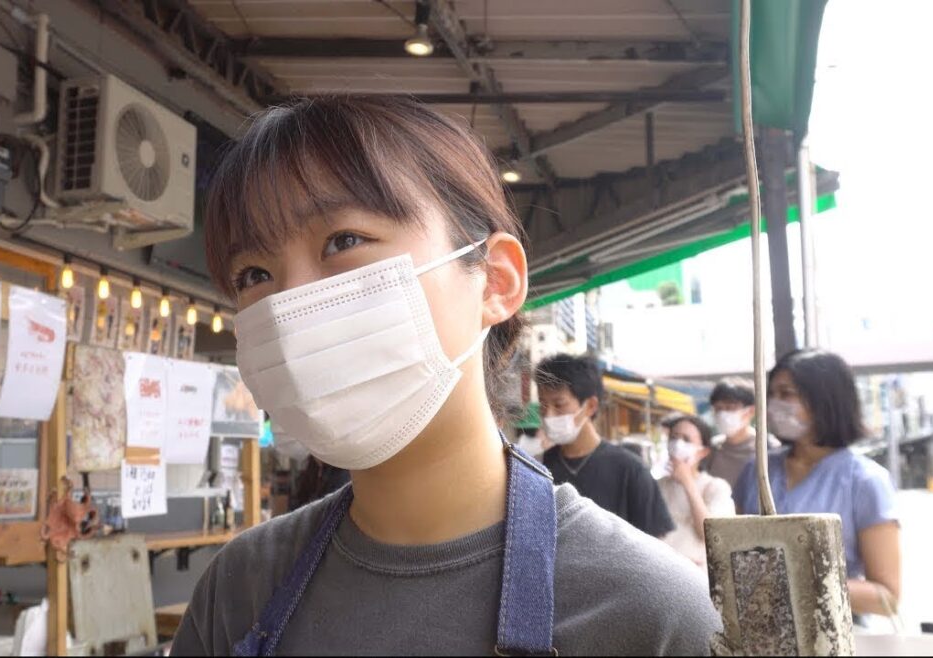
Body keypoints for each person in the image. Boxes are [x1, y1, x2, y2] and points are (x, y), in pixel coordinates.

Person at [171, 96, 719, 655]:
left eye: (344, 241)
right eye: (253, 274)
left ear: (495, 281)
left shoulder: (652, 615)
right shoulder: (239, 587)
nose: (294, 305)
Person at [733, 349, 901, 617]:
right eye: (772, 395)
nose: (774, 405)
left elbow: (886, 598)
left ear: (824, 400)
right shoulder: (757, 470)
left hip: (834, 633)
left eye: (786, 394)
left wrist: (798, 581)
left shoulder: (865, 481)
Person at [535, 353, 676, 538]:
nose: (549, 415)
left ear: (591, 406)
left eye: (559, 404)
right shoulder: (539, 469)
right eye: (543, 406)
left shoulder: (630, 469)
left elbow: (657, 543)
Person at [657, 415, 735, 569]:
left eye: (686, 440)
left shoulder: (716, 487)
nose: (677, 444)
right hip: (660, 572)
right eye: (673, 438)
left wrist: (687, 482)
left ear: (703, 452)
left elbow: (712, 536)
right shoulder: (658, 485)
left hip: (696, 576)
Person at [701, 377, 778, 490]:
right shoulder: (712, 448)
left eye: (730, 407)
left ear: (751, 411)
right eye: (718, 408)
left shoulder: (768, 448)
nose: (723, 414)